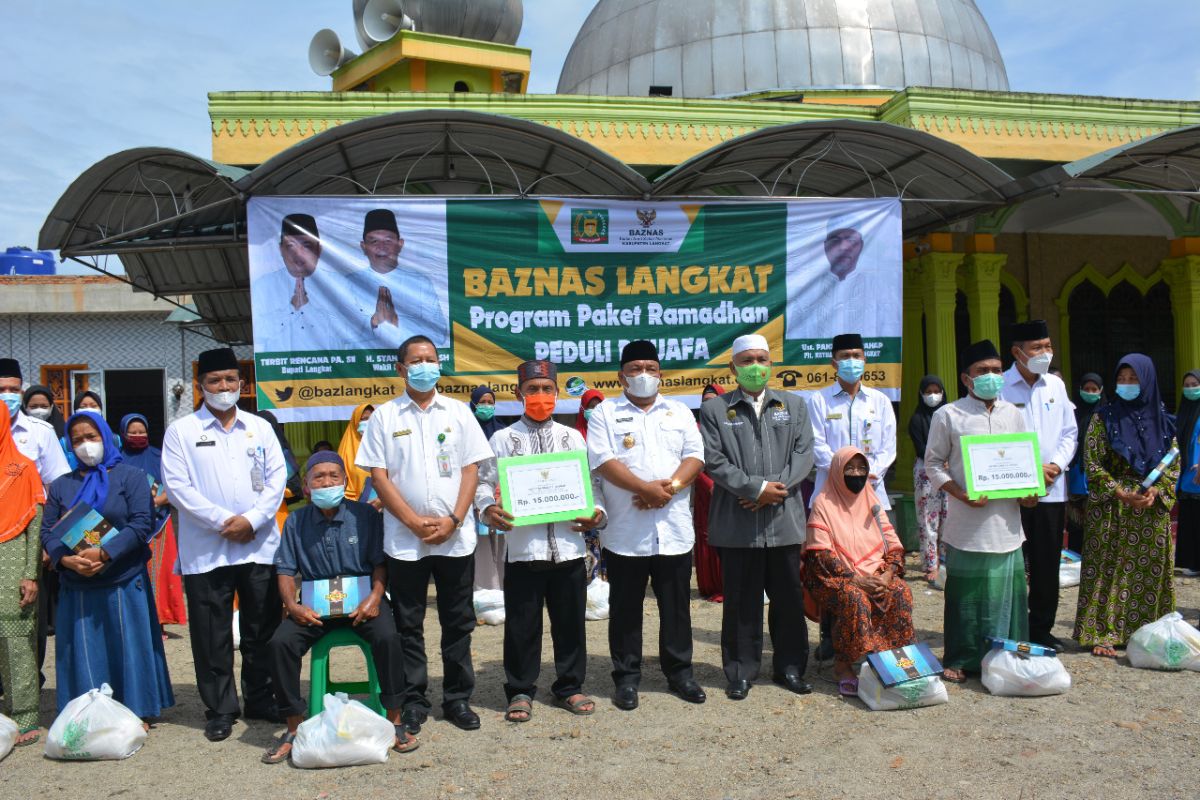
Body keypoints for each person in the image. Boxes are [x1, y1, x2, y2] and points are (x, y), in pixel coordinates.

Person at [356, 335, 493, 734]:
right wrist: (413, 522)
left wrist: (454, 518)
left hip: (455, 536)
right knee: (408, 624)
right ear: (401, 369)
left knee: (458, 621)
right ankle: (414, 699)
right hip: (404, 539)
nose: (424, 366)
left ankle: (457, 698)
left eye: (431, 359)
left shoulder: (458, 412)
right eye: (416, 360)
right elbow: (378, 476)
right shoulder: (384, 417)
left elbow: (471, 469)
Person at [161, 347, 287, 741]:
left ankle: (262, 698)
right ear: (201, 386)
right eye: (215, 381)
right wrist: (222, 522)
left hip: (259, 543)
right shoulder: (182, 431)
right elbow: (177, 487)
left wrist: (252, 520)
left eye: (231, 380)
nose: (223, 387)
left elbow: (277, 477)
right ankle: (220, 707)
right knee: (211, 632)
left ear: (241, 384)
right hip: (207, 549)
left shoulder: (259, 427)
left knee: (261, 626)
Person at [261, 451, 417, 763]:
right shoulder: (296, 521)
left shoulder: (366, 516)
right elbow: (285, 570)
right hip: (316, 608)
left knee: (388, 637)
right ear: (306, 486)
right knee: (280, 643)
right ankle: (293, 725)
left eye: (334, 475)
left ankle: (396, 719)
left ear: (345, 481)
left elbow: (379, 564)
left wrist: (375, 597)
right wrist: (292, 606)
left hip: (363, 604)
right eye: (319, 477)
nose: (327, 481)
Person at [476, 359, 607, 722]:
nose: (540, 396)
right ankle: (520, 689)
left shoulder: (573, 438)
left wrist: (596, 512)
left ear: (557, 392)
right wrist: (488, 509)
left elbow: (593, 485)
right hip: (523, 549)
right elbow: (484, 484)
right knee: (522, 623)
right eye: (532, 390)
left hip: (568, 545)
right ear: (519, 394)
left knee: (570, 622)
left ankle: (569, 685)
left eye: (546, 389)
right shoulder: (503, 439)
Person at [588, 340, 706, 710]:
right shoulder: (604, 414)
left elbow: (695, 456)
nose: (643, 375)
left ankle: (680, 673)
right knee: (625, 608)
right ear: (621, 376)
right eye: (635, 369)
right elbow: (603, 461)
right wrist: (643, 489)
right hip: (626, 532)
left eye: (650, 368)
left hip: (672, 530)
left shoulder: (680, 411)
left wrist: (667, 489)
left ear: (661, 374)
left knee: (677, 607)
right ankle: (626, 677)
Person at [699, 334, 815, 700]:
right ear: (733, 367)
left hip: (784, 521)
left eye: (761, 359)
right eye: (746, 360)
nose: (755, 367)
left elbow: (804, 455)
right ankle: (740, 671)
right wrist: (753, 489)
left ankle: (790, 669)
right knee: (740, 603)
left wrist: (771, 490)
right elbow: (713, 460)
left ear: (771, 364)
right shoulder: (715, 410)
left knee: (788, 600)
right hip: (737, 526)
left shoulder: (794, 406)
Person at [42, 411, 174, 719]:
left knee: (128, 648)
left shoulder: (130, 476)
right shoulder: (62, 485)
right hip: (78, 584)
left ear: (106, 436)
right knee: (87, 652)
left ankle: (135, 710)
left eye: (92, 437)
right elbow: (48, 531)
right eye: (77, 440)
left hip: (124, 579)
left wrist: (104, 554)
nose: (86, 445)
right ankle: (87, 712)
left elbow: (142, 523)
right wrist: (66, 559)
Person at [924, 340, 1037, 682]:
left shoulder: (1014, 413)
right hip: (967, 520)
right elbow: (932, 463)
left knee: (1008, 593)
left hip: (1006, 522)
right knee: (966, 595)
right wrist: (959, 493)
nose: (991, 376)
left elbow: (1025, 463)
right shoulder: (949, 414)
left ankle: (1010, 653)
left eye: (997, 370)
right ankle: (961, 657)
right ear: (966, 378)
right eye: (982, 371)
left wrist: (1030, 495)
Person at [1074, 354, 1179, 658]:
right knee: (1107, 567)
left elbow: (1174, 462)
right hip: (1111, 507)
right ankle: (1102, 632)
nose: (1127, 384)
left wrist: (1158, 490)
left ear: (1147, 381)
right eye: (1122, 379)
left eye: (1134, 379)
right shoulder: (1103, 418)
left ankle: (1148, 632)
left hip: (1150, 508)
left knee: (1149, 569)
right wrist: (1120, 492)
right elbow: (1092, 463)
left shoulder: (1163, 420)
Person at [805, 332, 897, 659]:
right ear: (833, 362)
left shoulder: (880, 401)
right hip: (830, 501)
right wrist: (845, 475)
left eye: (857, 355)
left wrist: (866, 474)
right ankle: (831, 637)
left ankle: (874, 630)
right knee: (832, 569)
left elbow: (888, 449)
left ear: (865, 359)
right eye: (845, 356)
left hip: (872, 496)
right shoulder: (818, 401)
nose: (852, 361)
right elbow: (817, 447)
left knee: (875, 563)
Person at [802, 447, 914, 697]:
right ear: (836, 472)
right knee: (854, 598)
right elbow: (821, 554)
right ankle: (843, 666)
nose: (856, 474)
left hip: (875, 573)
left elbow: (893, 544)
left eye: (862, 468)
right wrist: (857, 579)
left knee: (900, 591)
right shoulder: (823, 503)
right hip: (832, 577)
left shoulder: (871, 500)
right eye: (849, 469)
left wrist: (886, 575)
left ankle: (888, 660)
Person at [1000, 320, 1077, 651]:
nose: (1046, 353)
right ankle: (1012, 626)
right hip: (1012, 493)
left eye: (1048, 346)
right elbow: (994, 440)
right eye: (1038, 348)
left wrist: (1056, 465)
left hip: (1051, 489)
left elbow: (1069, 432)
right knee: (1011, 561)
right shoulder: (1000, 386)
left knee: (1047, 562)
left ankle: (1041, 627)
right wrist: (1026, 473)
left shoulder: (1055, 387)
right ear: (1018, 352)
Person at [1, 359, 70, 685]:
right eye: (1, 389)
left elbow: (60, 490)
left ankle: (30, 685)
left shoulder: (40, 433)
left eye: (14, 390)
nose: (8, 395)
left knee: (29, 614)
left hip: (29, 538)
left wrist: (51, 542)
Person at [0, 404, 45, 747]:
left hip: (12, 560)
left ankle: (25, 715)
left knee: (16, 640)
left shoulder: (23, 469)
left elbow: (35, 525)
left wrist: (31, 573)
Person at [119, 413, 186, 626]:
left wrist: (156, 501)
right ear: (123, 434)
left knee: (159, 573)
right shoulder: (117, 460)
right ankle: (134, 619)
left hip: (158, 524)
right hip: (126, 525)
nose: (138, 435)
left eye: (142, 432)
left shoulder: (160, 457)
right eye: (133, 432)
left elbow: (175, 485)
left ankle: (159, 620)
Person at [348, 209, 449, 348]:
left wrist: (398, 323)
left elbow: (439, 334)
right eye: (374, 241)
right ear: (363, 247)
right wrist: (373, 322)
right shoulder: (349, 283)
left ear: (400, 244)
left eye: (388, 240)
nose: (381, 247)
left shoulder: (420, 283)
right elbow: (337, 335)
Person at [252, 214, 348, 353]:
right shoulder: (264, 286)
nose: (298, 254)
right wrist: (290, 310)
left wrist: (311, 311)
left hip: (329, 369)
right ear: (281, 249)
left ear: (318, 249)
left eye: (306, 246)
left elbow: (351, 331)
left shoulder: (340, 285)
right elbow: (258, 333)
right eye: (291, 246)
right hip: (282, 370)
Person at [908, 375, 948, 582]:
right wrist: (941, 460)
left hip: (951, 471)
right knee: (928, 518)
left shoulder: (951, 415)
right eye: (928, 392)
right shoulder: (916, 419)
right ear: (921, 394)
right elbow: (921, 447)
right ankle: (931, 564)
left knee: (950, 517)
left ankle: (948, 562)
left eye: (937, 391)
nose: (933, 396)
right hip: (926, 473)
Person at [469, 387, 506, 592]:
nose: (486, 406)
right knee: (481, 546)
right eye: (481, 402)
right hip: (472, 495)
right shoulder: (466, 431)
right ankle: (483, 591)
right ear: (473, 404)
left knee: (502, 544)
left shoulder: (502, 432)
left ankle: (503, 589)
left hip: (501, 496)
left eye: (490, 402)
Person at [1066, 373, 1105, 554]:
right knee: (1075, 523)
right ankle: (1075, 559)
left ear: (1101, 391)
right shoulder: (1072, 414)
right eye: (1086, 389)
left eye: (1094, 389)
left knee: (1098, 524)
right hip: (1075, 474)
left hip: (1098, 476)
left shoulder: (1106, 415)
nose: (1090, 393)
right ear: (1080, 390)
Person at [694, 383, 725, 601]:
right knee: (707, 535)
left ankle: (727, 583)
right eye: (705, 402)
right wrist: (709, 485)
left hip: (729, 489)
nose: (709, 406)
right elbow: (691, 463)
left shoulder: (731, 425)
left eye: (714, 401)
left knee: (727, 537)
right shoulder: (695, 428)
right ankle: (710, 585)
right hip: (706, 491)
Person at [573, 388, 607, 580]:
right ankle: (591, 586)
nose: (594, 410)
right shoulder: (574, 437)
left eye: (599, 406)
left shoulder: (612, 434)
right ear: (582, 409)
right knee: (590, 544)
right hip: (587, 498)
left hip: (611, 496)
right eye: (590, 407)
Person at [1176, 370, 1200, 576]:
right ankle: (1192, 561)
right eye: (1188, 385)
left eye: (1195, 384)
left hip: (1198, 471)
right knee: (1190, 517)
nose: (1191, 389)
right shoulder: (1183, 412)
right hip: (1185, 473)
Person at [336, 402, 377, 502]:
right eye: (363, 419)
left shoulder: (382, 444)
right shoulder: (346, 449)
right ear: (355, 421)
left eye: (371, 419)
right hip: (353, 503)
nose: (367, 422)